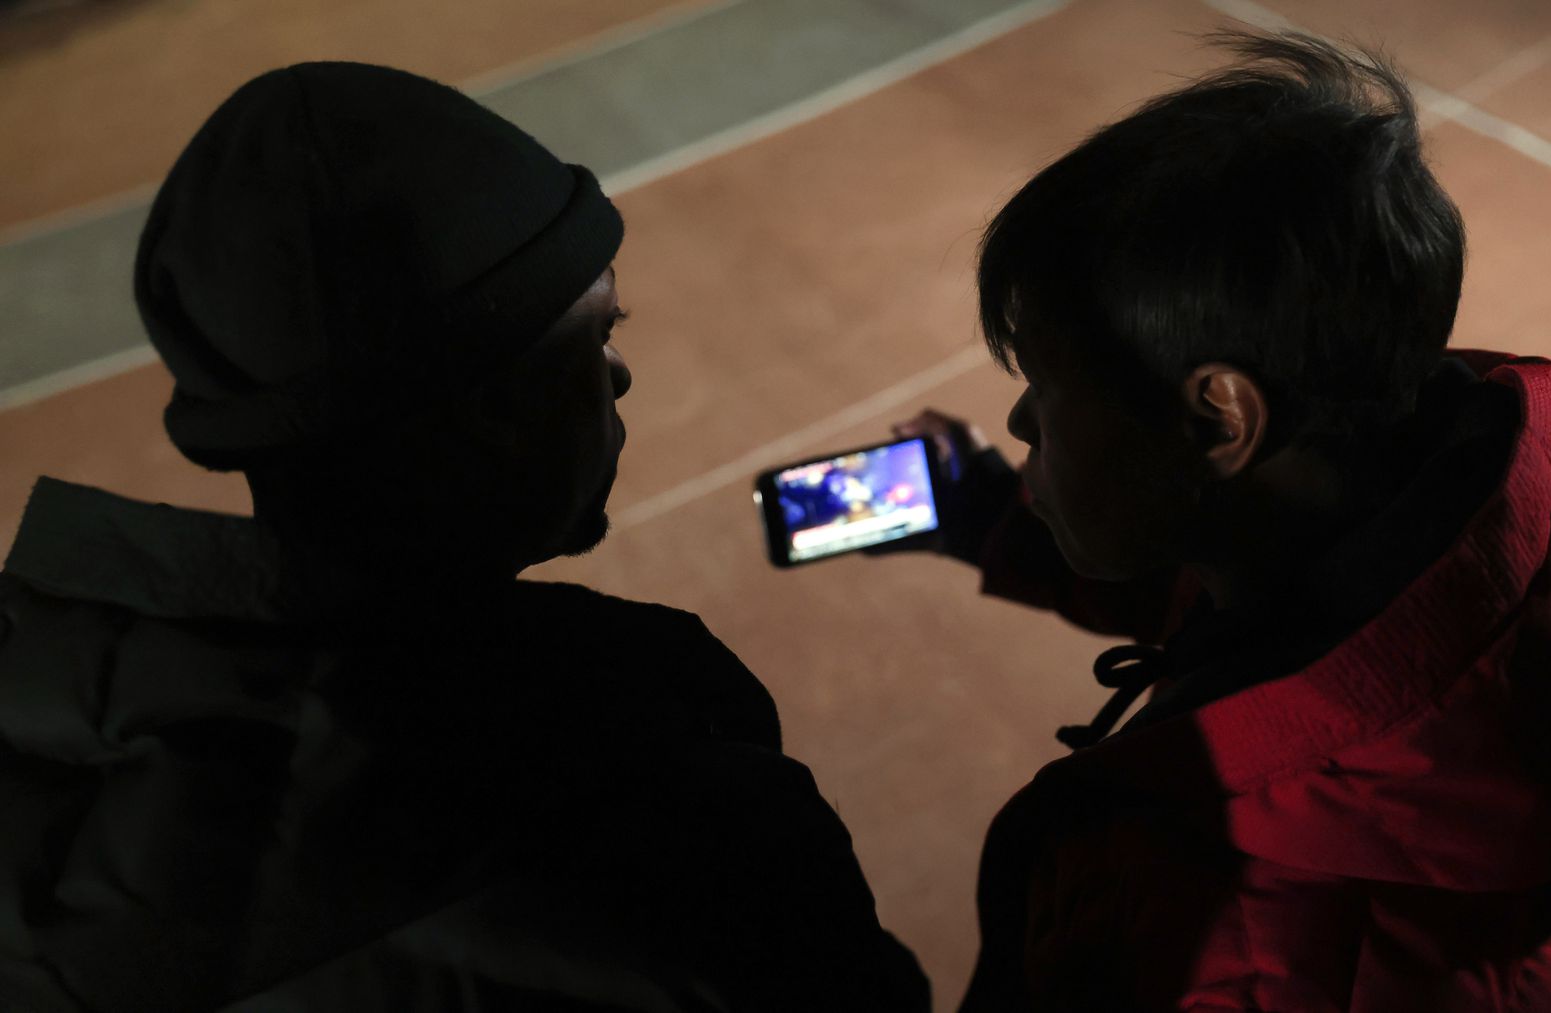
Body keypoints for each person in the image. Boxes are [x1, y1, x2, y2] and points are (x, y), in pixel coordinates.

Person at [0, 62, 928, 1012]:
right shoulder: (673, 805)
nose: (619, 374)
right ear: (485, 410)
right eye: (596, 333)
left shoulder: (56, 728)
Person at [888, 31, 1551, 1011]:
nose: (1019, 422)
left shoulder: (1229, 938)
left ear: (1220, 415)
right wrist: (1007, 521)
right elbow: (1261, 572)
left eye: (1046, 386)